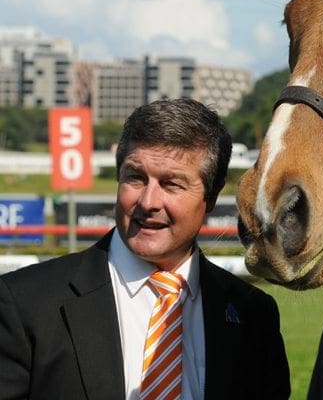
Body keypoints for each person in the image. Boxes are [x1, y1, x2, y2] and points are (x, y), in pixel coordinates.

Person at [0, 98, 291, 399]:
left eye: (171, 184)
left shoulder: (254, 315)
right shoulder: (25, 304)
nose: (148, 202)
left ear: (211, 198)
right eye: (135, 178)